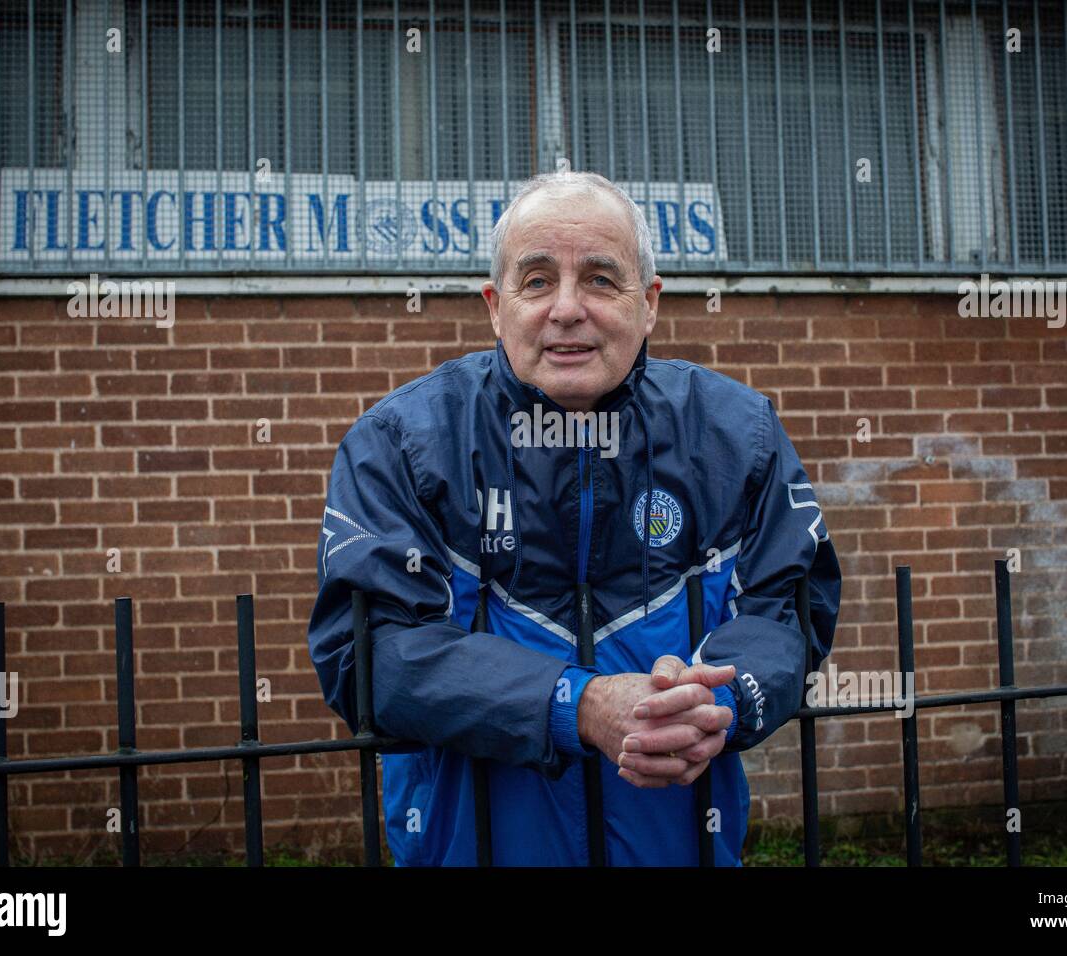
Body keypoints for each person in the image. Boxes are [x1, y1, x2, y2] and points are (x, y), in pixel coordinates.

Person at [306, 169, 841, 866]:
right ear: (496, 307)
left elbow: (789, 610)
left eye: (598, 279)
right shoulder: (400, 444)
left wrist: (725, 699)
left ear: (648, 303)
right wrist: (576, 704)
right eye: (536, 281)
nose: (566, 308)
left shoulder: (739, 437)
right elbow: (367, 657)